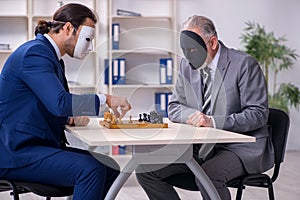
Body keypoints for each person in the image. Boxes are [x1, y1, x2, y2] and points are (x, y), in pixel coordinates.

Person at [0, 3, 131, 200]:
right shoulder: (35, 54)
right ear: (69, 28)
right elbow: (59, 102)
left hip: (35, 146)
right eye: (88, 38)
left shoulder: (51, 57)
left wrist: (68, 117)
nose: (90, 46)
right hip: (16, 153)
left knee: (110, 168)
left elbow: (45, 103)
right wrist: (106, 99)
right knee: (90, 170)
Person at [136, 15, 274, 200]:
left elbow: (257, 114)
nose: (189, 56)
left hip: (239, 146)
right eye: (185, 50)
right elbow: (174, 107)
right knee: (145, 169)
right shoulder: (187, 65)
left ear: (213, 42)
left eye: (193, 49)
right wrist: (192, 115)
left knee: (208, 176)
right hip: (201, 146)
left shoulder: (244, 65)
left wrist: (212, 122)